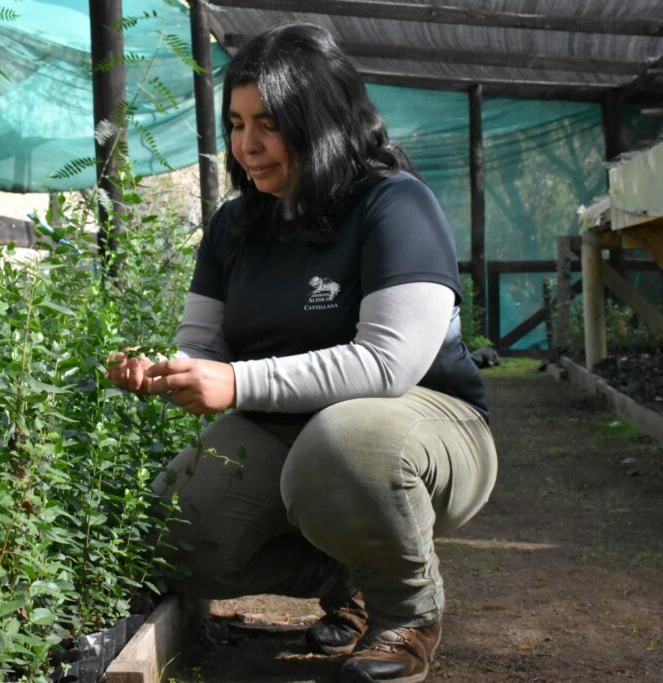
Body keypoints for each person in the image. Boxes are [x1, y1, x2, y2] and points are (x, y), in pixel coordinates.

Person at [107, 22, 497, 683]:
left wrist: (234, 383)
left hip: (423, 427)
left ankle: (407, 613)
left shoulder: (394, 204)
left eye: (268, 123)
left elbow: (385, 365)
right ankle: (351, 572)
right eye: (235, 123)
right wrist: (165, 369)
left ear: (320, 121)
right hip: (287, 433)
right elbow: (203, 342)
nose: (247, 145)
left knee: (341, 444)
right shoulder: (235, 225)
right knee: (169, 535)